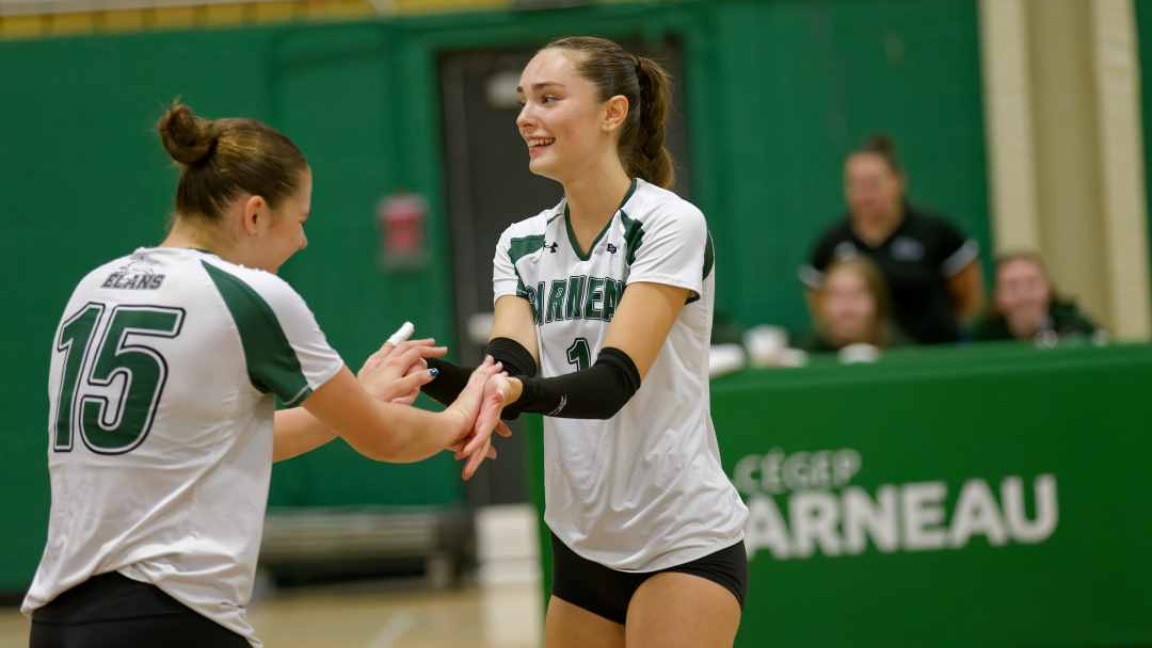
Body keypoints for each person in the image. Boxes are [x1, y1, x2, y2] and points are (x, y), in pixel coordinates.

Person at [22, 102, 501, 648]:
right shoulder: (249, 296)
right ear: (254, 214)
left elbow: (206, 443)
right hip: (170, 614)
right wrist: (467, 407)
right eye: (299, 220)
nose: (301, 242)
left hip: (58, 619)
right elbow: (387, 438)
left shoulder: (95, 285)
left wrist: (356, 400)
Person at [422, 36, 749, 648]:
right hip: (582, 542)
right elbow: (508, 373)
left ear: (613, 113)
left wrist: (510, 389)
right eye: (523, 100)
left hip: (679, 537)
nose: (525, 116)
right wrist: (423, 378)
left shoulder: (668, 223)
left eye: (548, 98)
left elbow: (612, 383)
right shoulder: (519, 243)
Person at [799, 134, 984, 344]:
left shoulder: (936, 232)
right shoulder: (832, 241)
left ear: (898, 181)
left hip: (931, 352)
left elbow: (969, 296)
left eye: (872, 184)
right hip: (863, 358)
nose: (865, 194)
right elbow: (817, 299)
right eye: (855, 185)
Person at [972, 251, 1103, 344]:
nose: (1024, 295)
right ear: (998, 298)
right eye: (1012, 286)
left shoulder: (1076, 328)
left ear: (1049, 290)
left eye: (1032, 283)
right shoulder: (981, 341)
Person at [804, 257, 908, 353]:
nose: (847, 303)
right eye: (837, 294)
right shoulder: (805, 354)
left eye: (858, 293)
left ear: (878, 300)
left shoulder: (904, 352)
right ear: (821, 303)